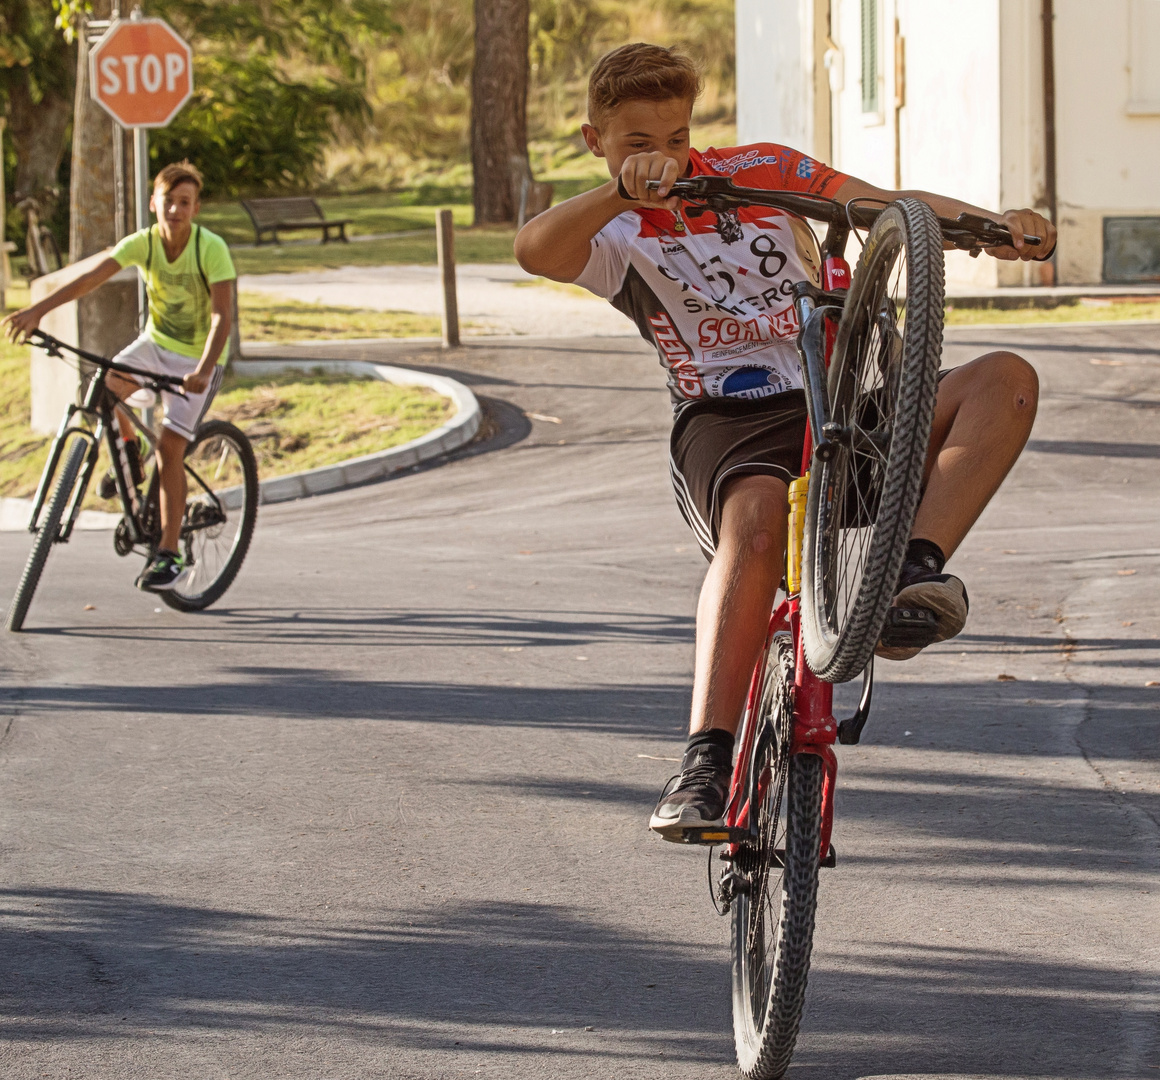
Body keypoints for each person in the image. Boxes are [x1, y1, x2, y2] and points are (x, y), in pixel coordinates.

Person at [514, 43, 1054, 841]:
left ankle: (912, 574)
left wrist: (990, 226)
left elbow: (885, 206)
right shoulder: (618, 228)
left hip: (834, 408)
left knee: (1005, 377)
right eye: (637, 143)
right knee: (758, 525)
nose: (663, 158)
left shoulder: (760, 168)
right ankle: (703, 764)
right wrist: (616, 191)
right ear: (596, 140)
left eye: (675, 137)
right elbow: (536, 252)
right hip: (725, 426)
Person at [4, 160, 236, 592]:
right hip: (155, 346)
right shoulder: (144, 244)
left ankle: (170, 553)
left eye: (184, 203)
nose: (175, 211)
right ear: (154, 204)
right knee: (104, 386)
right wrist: (38, 312)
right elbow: (92, 278)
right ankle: (128, 456)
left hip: (197, 359)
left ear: (195, 208)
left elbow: (223, 317)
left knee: (170, 448)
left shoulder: (210, 249)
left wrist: (203, 370)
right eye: (168, 202)